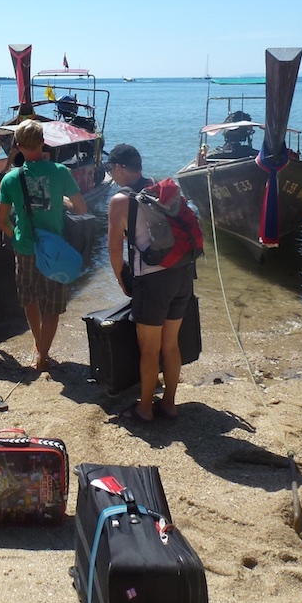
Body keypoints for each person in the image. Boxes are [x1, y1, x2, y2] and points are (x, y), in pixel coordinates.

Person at [106, 144, 194, 423]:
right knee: (171, 345)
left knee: (149, 348)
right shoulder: (161, 187)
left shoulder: (120, 201)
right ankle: (169, 404)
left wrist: (123, 281)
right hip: (181, 274)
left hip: (152, 280)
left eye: (111, 170)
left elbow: (114, 252)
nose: (111, 176)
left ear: (120, 167)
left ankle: (145, 408)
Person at [0, 119, 87, 372]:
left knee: (30, 299)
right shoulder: (60, 172)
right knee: (53, 306)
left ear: (18, 146)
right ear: (43, 142)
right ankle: (43, 355)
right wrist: (64, 202)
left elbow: (1, 221)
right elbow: (81, 208)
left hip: (25, 248)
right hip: (55, 249)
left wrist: (17, 236)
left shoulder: (11, 179)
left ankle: (39, 346)